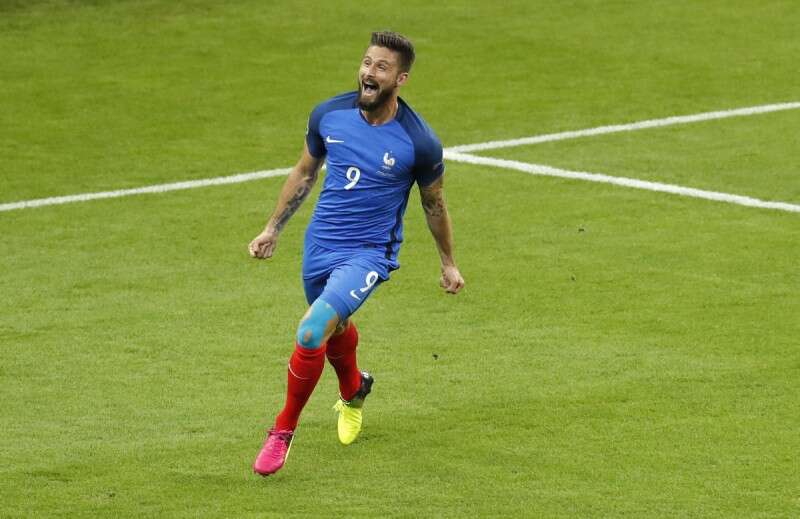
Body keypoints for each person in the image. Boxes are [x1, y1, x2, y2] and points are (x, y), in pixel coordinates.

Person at [248, 31, 464, 476]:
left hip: (368, 254)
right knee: (333, 327)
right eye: (367, 62)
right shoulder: (329, 115)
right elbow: (304, 173)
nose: (369, 72)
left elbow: (434, 204)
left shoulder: (419, 142)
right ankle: (353, 387)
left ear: (400, 79)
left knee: (311, 331)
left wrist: (448, 262)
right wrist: (272, 228)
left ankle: (282, 430)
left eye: (381, 67)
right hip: (319, 245)